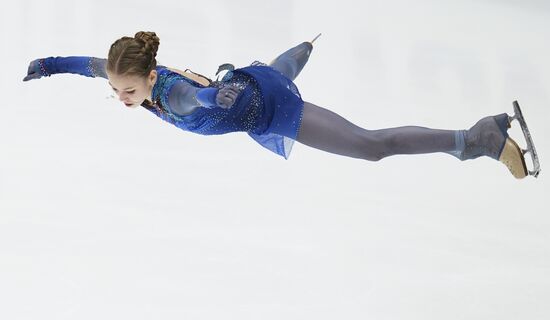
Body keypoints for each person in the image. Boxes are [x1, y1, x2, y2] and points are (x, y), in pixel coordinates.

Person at [23, 31, 539, 179]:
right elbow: (87, 62)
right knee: (279, 68)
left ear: (151, 76)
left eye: (128, 92)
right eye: (116, 90)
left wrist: (210, 94)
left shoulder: (172, 95)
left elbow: (192, 96)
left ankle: (476, 140)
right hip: (254, 84)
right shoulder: (129, 70)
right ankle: (303, 49)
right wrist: (49, 64)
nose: (121, 98)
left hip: (266, 108)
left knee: (370, 147)